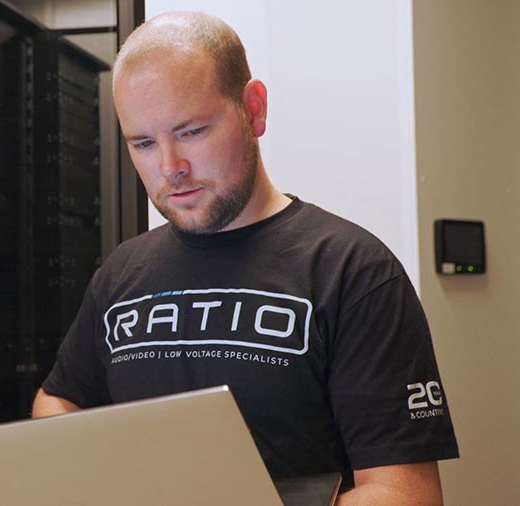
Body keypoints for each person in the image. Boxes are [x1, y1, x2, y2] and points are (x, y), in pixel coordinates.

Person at [32, 11, 459, 505]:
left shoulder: (353, 271)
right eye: (144, 143)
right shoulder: (122, 272)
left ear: (253, 109)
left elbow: (406, 496)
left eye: (191, 131)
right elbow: (58, 400)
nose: (171, 168)